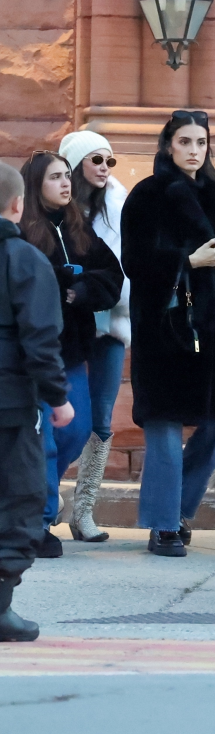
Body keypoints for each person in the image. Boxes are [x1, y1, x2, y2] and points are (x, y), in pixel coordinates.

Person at [121, 110, 215, 558]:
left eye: (200, 143)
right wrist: (188, 261)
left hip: (213, 327)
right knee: (165, 426)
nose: (193, 151)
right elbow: (135, 261)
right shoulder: (146, 195)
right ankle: (165, 525)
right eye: (184, 142)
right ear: (169, 145)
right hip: (164, 324)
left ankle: (177, 507)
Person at [20, 151, 123, 559]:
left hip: (74, 350)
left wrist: (78, 292)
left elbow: (112, 277)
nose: (65, 184)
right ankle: (41, 518)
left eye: (66, 176)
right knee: (42, 437)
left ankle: (39, 494)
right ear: (35, 186)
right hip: (35, 353)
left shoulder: (79, 228)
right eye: (55, 178)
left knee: (76, 430)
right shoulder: (25, 231)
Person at [0, 162, 74, 640]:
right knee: (20, 498)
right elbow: (40, 338)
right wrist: (58, 398)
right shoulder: (24, 260)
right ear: (17, 204)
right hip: (9, 404)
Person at [58, 130, 130, 543]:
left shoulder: (121, 205)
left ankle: (83, 511)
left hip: (110, 323)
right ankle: (45, 499)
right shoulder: (57, 208)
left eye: (109, 161)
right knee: (64, 419)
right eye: (96, 160)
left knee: (100, 421)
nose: (105, 168)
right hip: (67, 328)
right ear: (75, 163)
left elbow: (131, 266)